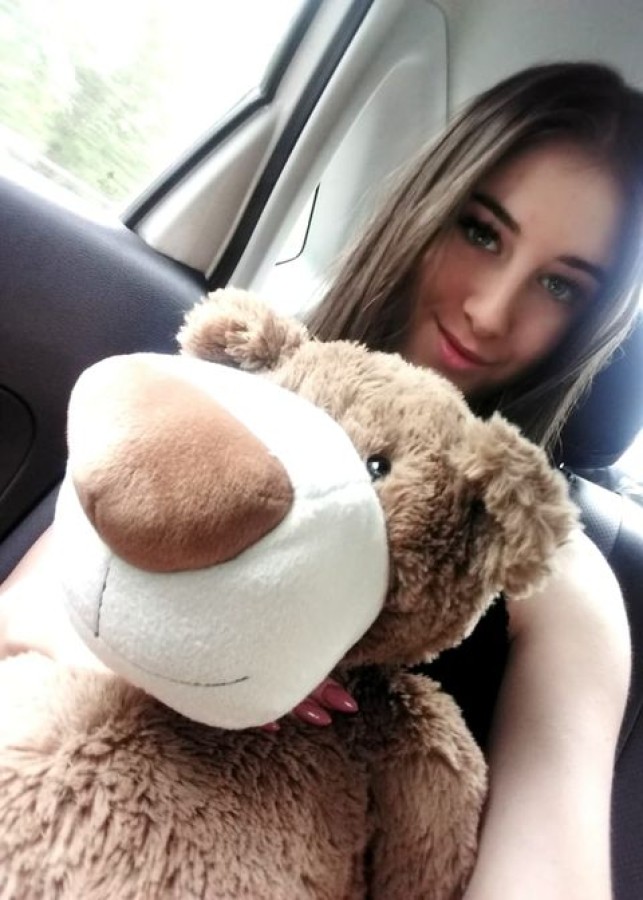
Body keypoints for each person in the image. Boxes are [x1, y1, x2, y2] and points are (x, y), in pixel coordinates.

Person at [0, 61, 642, 898]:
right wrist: (202, 659)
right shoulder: (233, 389)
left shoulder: (558, 580)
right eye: (481, 232)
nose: (489, 309)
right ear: (427, 206)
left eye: (558, 285)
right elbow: (21, 619)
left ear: (589, 323)